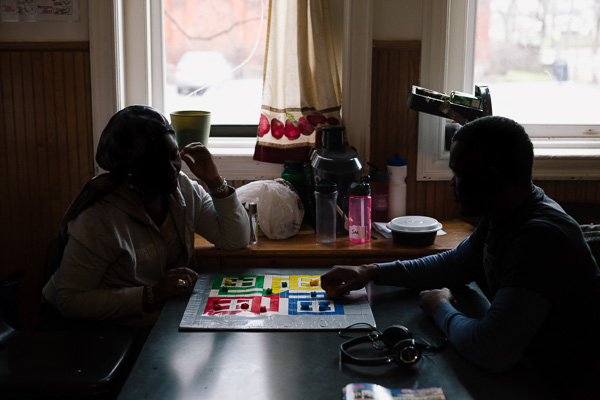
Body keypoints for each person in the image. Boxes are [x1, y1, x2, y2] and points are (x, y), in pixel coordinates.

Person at [321, 116, 600, 399]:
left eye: (459, 174)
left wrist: (440, 307)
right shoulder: (504, 213)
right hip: (525, 374)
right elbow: (454, 264)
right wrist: (370, 271)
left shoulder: (540, 237)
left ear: (491, 176)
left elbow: (492, 350)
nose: (452, 183)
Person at [39, 105, 250, 332]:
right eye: (157, 162)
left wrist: (215, 181)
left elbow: (234, 239)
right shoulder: (99, 215)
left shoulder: (182, 188)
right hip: (93, 333)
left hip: (149, 324)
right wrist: (151, 294)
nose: (171, 169)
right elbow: (69, 300)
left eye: (173, 156)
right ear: (130, 169)